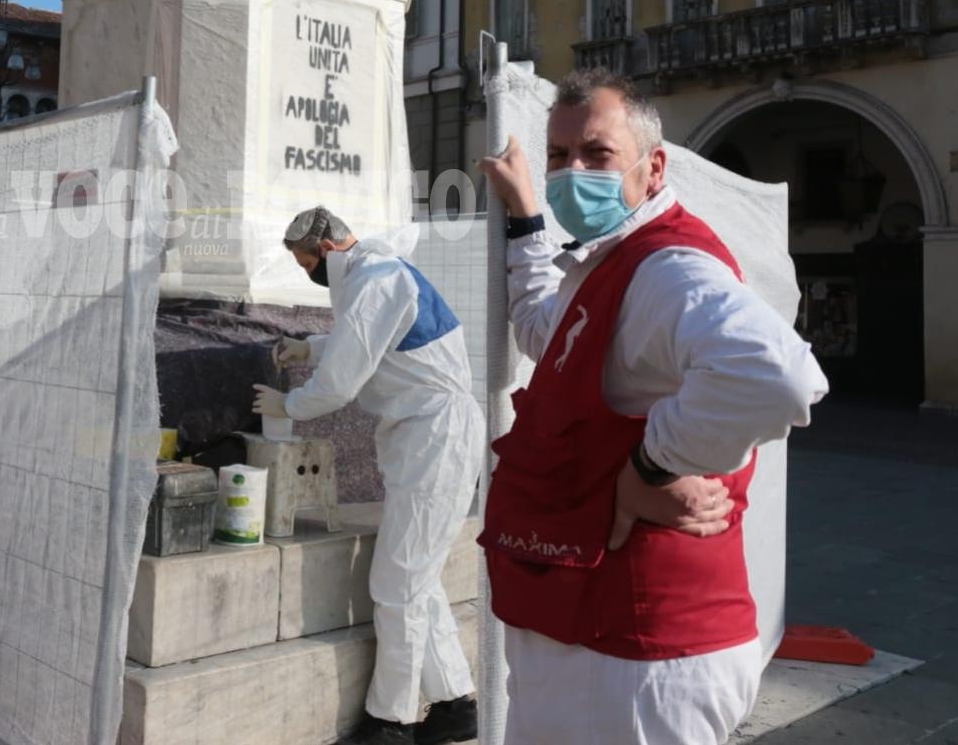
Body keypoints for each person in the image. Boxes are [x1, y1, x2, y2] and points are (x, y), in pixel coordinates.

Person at [477, 70, 828, 745]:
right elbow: (538, 328)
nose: (571, 171)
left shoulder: (666, 267)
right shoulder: (606, 265)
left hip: (634, 653)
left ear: (653, 166)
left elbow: (775, 375)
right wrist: (525, 218)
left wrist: (652, 466)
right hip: (591, 638)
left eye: (597, 154)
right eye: (558, 155)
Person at [253, 208, 484, 745]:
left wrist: (289, 404)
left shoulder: (377, 281)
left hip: (435, 438)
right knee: (415, 579)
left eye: (304, 262)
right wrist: (308, 347)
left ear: (327, 252)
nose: (304, 272)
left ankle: (391, 721)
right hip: (426, 437)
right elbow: (365, 341)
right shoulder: (378, 276)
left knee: (397, 583)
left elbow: (339, 384)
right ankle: (454, 705)